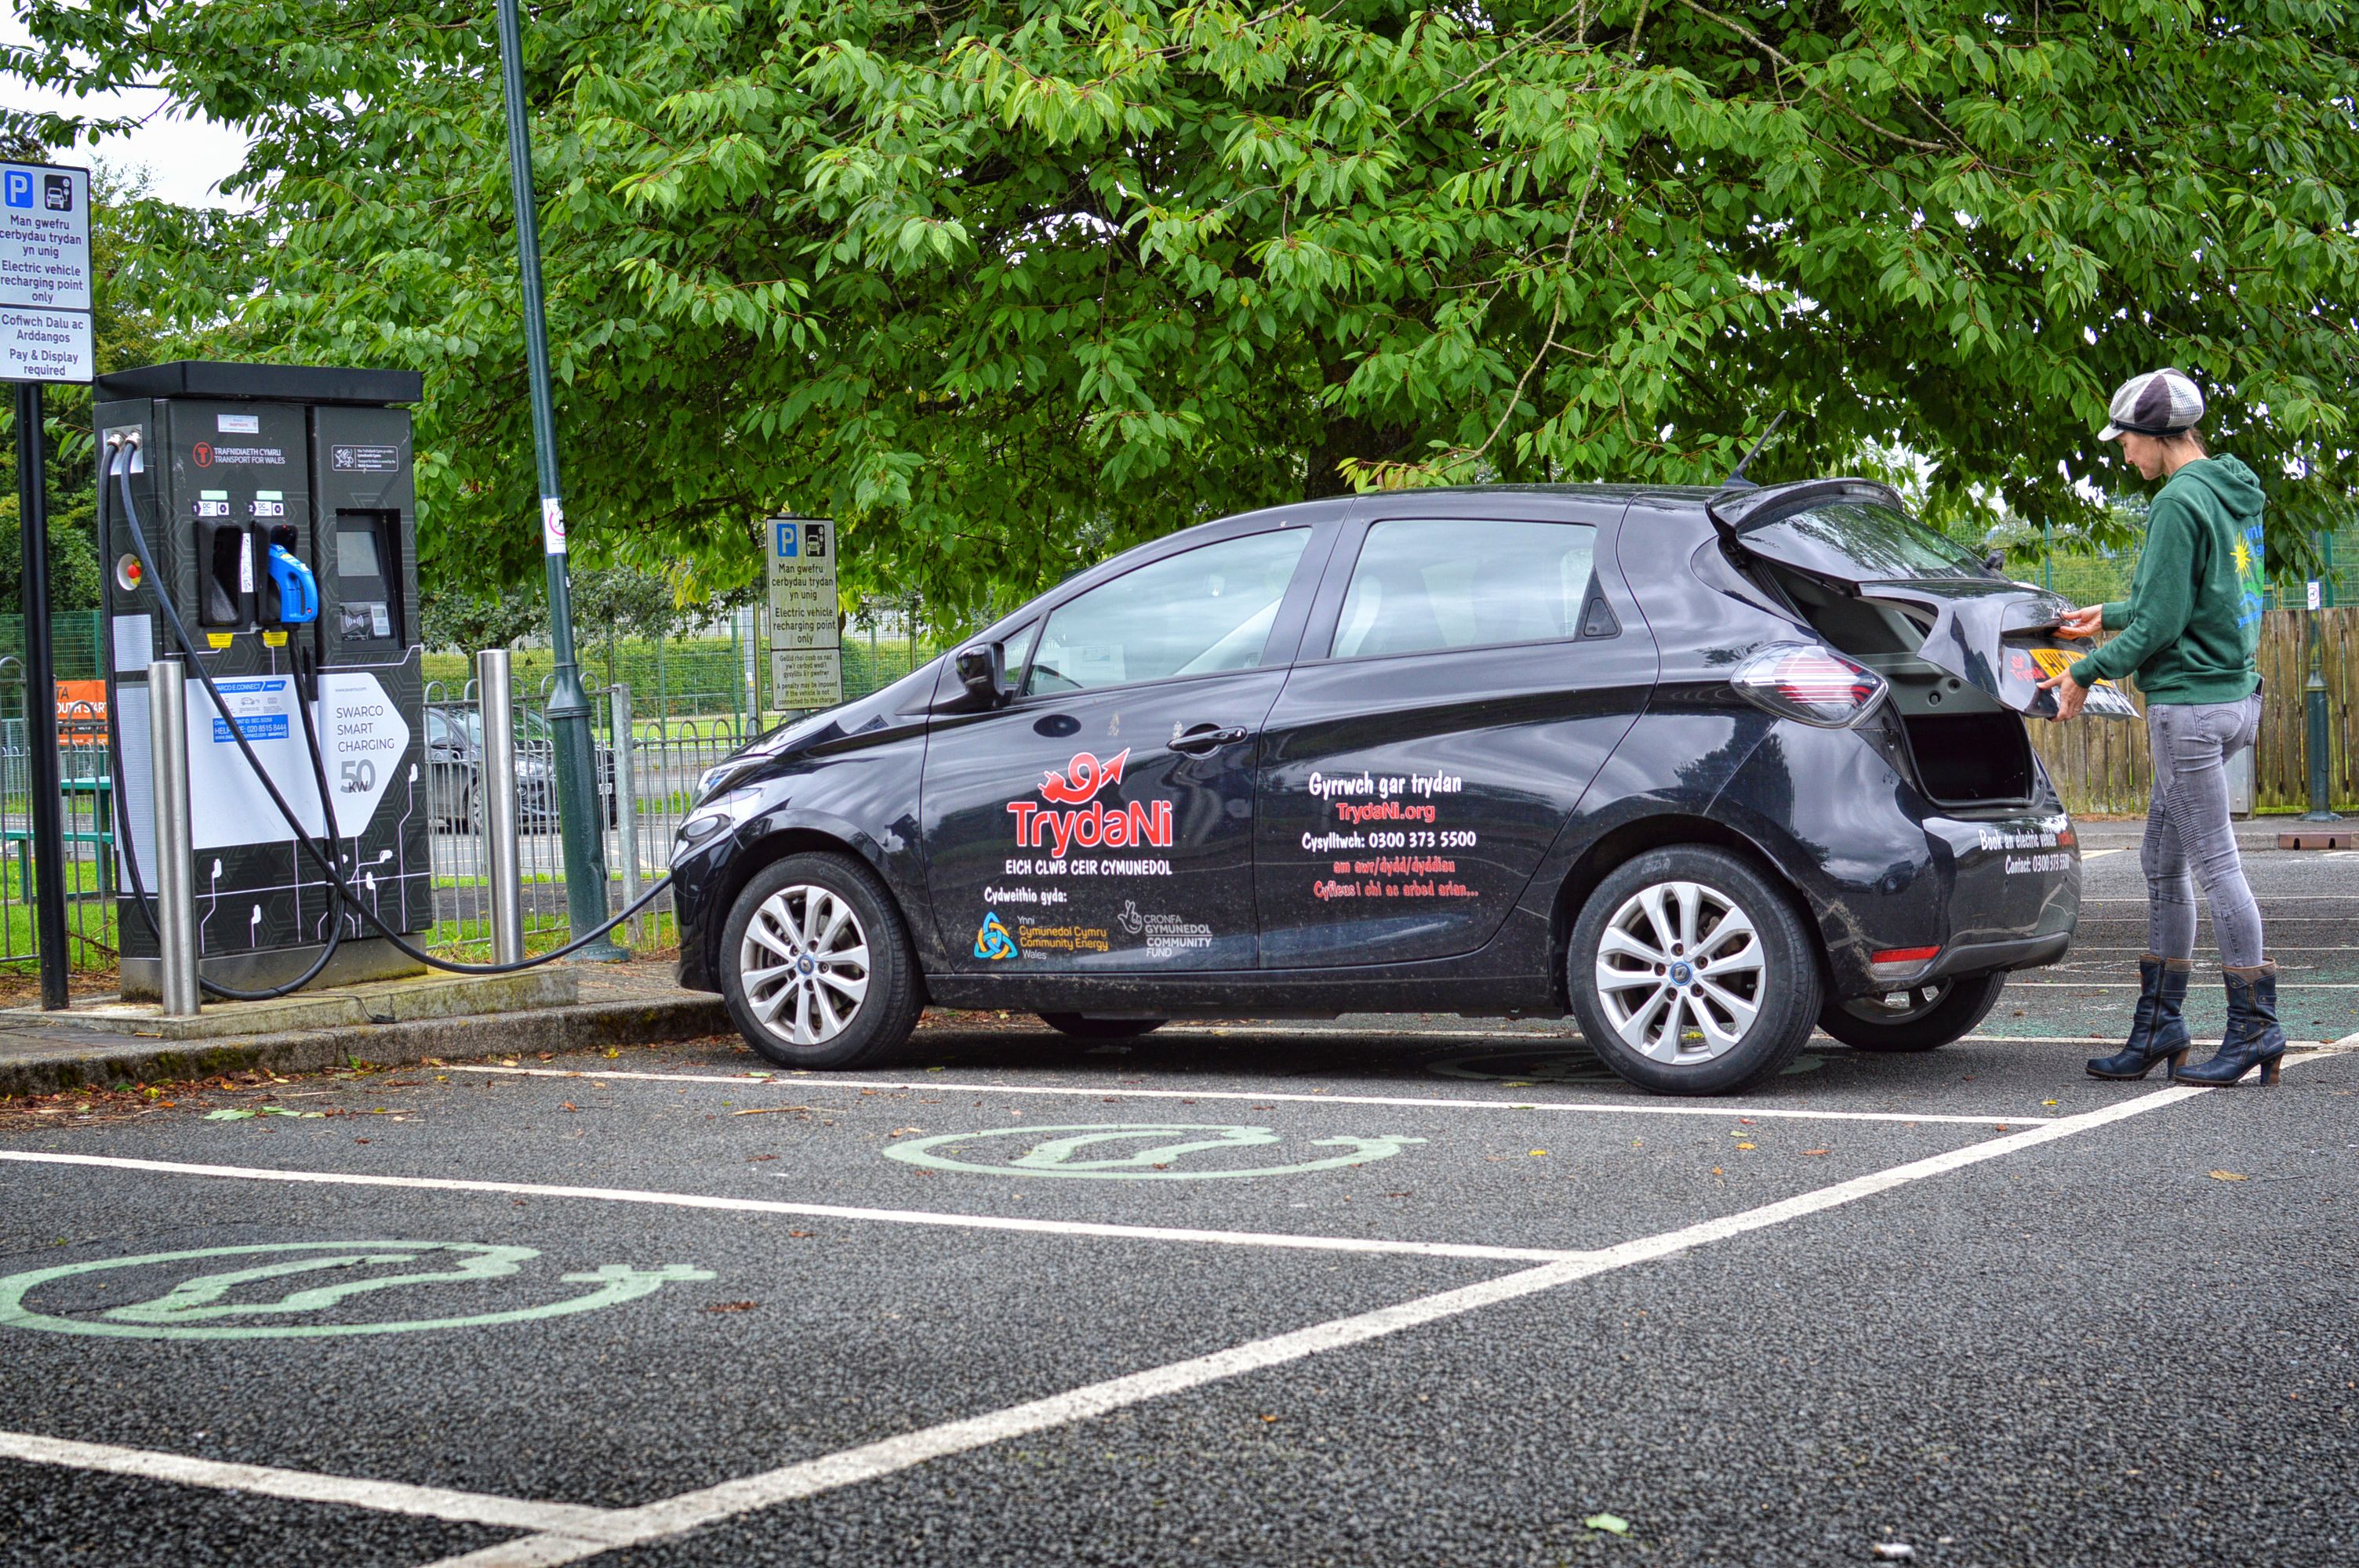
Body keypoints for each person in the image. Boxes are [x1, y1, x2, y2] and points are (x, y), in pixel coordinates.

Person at [2037, 367, 2283, 1087]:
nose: (2123, 455)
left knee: (2215, 868)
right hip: (2234, 694)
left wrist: (2084, 671)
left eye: (2127, 442)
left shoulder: (2177, 500)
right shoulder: (2230, 491)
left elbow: (2166, 620)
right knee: (2159, 862)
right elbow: (2196, 591)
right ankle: (2160, 1026)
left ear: (2157, 438)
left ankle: (2256, 1029)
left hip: (2190, 708)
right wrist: (2106, 615)